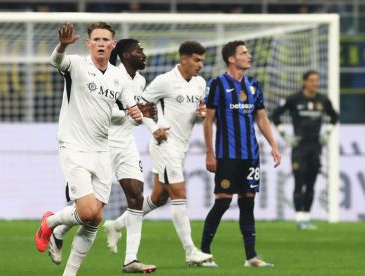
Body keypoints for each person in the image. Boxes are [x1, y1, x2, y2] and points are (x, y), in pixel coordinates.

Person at [34, 22, 143, 276]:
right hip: (73, 146)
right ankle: (49, 222)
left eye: (106, 39)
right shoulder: (76, 64)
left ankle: (67, 269)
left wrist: (136, 114)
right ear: (89, 43)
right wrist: (61, 44)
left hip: (101, 150)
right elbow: (55, 61)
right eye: (97, 39)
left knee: (94, 218)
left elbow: (131, 107)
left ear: (112, 45)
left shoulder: (119, 77)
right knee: (86, 211)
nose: (102, 43)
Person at [107, 41, 213, 266]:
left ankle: (115, 225)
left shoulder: (200, 83)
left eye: (202, 60)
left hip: (181, 147)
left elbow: (194, 114)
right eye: (196, 60)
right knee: (179, 192)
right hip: (164, 146)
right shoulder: (164, 81)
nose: (200, 65)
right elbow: (141, 107)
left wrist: (200, 115)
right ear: (183, 59)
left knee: (159, 197)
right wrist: (155, 129)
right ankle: (190, 251)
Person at [199, 40, 281, 268]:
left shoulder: (253, 85)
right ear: (231, 59)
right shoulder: (217, 84)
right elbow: (209, 120)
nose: (249, 55)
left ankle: (251, 257)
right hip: (227, 154)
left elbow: (261, 118)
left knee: (248, 202)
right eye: (244, 53)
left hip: (250, 155)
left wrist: (273, 145)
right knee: (223, 201)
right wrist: (209, 152)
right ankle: (203, 253)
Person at [271, 70, 339, 230]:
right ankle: (299, 218)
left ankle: (307, 217)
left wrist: (328, 131)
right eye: (312, 80)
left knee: (311, 183)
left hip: (315, 148)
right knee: (299, 181)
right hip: (299, 147)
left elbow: (334, 116)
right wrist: (284, 134)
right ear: (305, 82)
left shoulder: (323, 100)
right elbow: (275, 115)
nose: (315, 83)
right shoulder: (294, 99)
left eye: (317, 80)